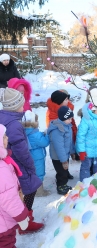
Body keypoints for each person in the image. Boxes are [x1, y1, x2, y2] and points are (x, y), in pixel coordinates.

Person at [0, 88, 44, 234]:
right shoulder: (14, 125)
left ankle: (22, 220)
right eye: (21, 104)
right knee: (29, 190)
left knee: (19, 192)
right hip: (18, 165)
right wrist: (30, 165)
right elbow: (21, 150)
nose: (24, 107)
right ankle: (26, 222)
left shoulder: (4, 117)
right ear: (14, 106)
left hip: (9, 162)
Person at [0, 124, 29, 247]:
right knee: (7, 243)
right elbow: (8, 197)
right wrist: (21, 216)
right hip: (3, 225)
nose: (7, 138)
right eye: (4, 137)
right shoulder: (1, 169)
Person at [76, 88, 97, 181]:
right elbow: (81, 136)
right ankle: (85, 183)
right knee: (86, 167)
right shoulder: (86, 120)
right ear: (93, 110)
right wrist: (81, 151)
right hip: (87, 149)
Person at [46, 90, 76, 178]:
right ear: (59, 101)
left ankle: (66, 173)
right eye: (66, 99)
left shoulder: (67, 112)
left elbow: (71, 125)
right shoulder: (55, 117)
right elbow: (57, 142)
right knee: (61, 165)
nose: (68, 101)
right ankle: (62, 181)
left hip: (66, 142)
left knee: (66, 162)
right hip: (59, 150)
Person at [47, 106, 75, 195]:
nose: (71, 120)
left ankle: (65, 177)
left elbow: (69, 141)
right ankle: (61, 186)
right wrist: (63, 160)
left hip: (64, 154)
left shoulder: (67, 126)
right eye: (69, 118)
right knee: (61, 172)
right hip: (58, 157)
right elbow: (59, 147)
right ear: (63, 118)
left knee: (65, 169)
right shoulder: (58, 130)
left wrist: (72, 152)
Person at [22, 110, 50, 196]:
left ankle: (32, 189)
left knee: (32, 173)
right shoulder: (35, 134)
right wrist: (47, 134)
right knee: (39, 173)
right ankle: (40, 192)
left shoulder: (24, 132)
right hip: (37, 157)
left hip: (29, 156)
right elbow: (45, 142)